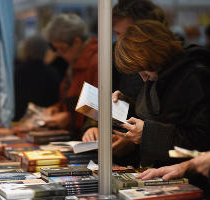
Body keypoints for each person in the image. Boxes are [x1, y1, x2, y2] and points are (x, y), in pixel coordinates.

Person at [113, 20, 210, 167]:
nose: (143, 77)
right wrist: (124, 105)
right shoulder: (160, 75)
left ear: (156, 54)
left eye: (144, 69)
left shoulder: (195, 77)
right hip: (164, 172)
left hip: (190, 176)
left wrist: (148, 135)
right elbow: (160, 118)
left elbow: (201, 144)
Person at [82, 0, 167, 165]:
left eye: (127, 34)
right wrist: (94, 126)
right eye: (117, 34)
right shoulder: (114, 53)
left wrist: (134, 141)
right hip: (124, 154)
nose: (121, 41)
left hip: (153, 161)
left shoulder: (170, 65)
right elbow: (102, 99)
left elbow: (173, 127)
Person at [43, 13, 98, 139]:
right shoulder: (75, 62)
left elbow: (98, 108)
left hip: (89, 139)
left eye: (62, 49)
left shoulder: (96, 62)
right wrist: (57, 108)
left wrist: (69, 118)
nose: (59, 54)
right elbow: (71, 98)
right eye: (55, 49)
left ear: (77, 42)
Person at [13, 35, 62, 121]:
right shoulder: (52, 73)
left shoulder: (16, 72)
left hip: (18, 121)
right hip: (46, 121)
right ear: (44, 51)